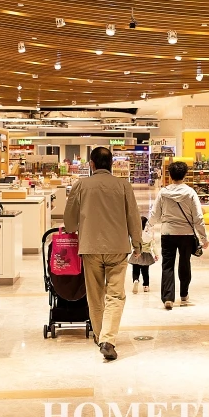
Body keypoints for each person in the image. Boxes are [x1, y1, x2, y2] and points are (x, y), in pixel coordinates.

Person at [64, 147, 143, 361]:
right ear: (112, 164)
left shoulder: (80, 185)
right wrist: (137, 243)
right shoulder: (123, 185)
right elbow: (133, 217)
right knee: (116, 295)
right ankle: (108, 340)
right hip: (118, 247)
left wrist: (75, 228)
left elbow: (69, 221)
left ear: (92, 164)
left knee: (95, 295)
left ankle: (101, 336)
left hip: (90, 247)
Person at [148, 161, 209, 310]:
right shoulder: (190, 193)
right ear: (185, 175)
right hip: (186, 234)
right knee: (185, 263)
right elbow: (198, 217)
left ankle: (168, 297)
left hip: (167, 233)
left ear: (170, 175)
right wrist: (203, 238)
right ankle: (184, 294)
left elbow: (154, 214)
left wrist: (147, 229)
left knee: (167, 265)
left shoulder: (163, 193)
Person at [130, 217, 156, 294]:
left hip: (137, 254)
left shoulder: (136, 235)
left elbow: (132, 243)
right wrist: (156, 254)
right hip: (146, 255)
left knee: (135, 270)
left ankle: (135, 280)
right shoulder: (148, 235)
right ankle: (146, 286)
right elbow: (153, 245)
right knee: (145, 271)